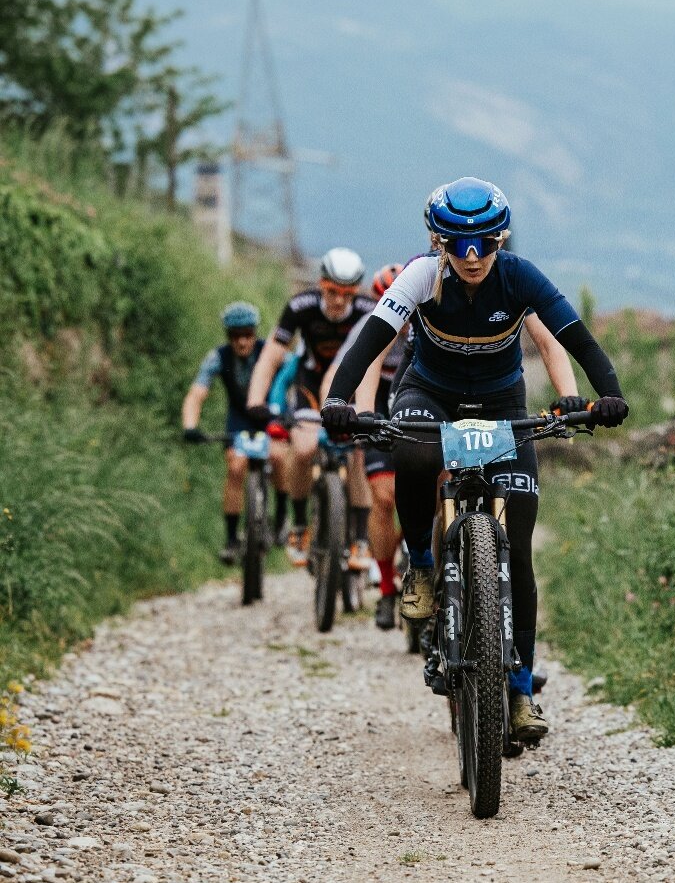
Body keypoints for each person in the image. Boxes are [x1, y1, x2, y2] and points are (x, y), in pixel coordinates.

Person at [322, 178, 627, 743]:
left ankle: (520, 691)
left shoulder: (519, 276)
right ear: (438, 243)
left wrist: (606, 392)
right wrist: (339, 401)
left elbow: (573, 335)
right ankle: (419, 564)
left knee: (522, 548)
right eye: (459, 246)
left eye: (485, 245)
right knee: (411, 453)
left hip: (502, 402)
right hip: (428, 394)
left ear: (500, 240)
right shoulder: (420, 276)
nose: (472, 258)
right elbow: (370, 341)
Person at [324, 261, 589, 631]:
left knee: (499, 522)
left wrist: (570, 398)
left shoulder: (510, 287)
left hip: (492, 399)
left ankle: (504, 633)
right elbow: (371, 357)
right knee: (403, 479)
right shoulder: (419, 294)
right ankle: (415, 567)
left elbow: (549, 341)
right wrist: (363, 411)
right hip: (422, 396)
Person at [245, 248, 377, 568]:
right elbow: (272, 356)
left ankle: (360, 536)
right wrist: (255, 400)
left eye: (347, 294)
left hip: (351, 383)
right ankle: (300, 525)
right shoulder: (300, 307)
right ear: (321, 283)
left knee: (357, 453)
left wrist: (365, 409)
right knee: (303, 449)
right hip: (310, 383)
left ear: (356, 291)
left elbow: (373, 361)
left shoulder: (367, 310)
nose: (339, 301)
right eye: (332, 292)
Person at [181, 302, 289, 563]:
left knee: (278, 458)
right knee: (235, 467)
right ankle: (231, 539)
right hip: (239, 420)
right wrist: (190, 426)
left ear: (255, 332)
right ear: (228, 336)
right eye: (235, 336)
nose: (242, 342)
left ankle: (283, 519)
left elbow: (293, 378)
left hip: (271, 416)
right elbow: (197, 394)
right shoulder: (217, 357)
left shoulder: (270, 352)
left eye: (248, 334)